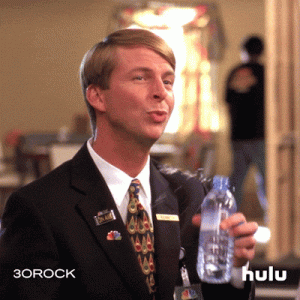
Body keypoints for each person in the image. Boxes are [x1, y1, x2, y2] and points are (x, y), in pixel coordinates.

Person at [0, 28, 258, 299]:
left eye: (168, 81)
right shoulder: (39, 208)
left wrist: (236, 269)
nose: (161, 92)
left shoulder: (193, 196)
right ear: (98, 96)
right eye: (140, 78)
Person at [225, 36, 267, 215]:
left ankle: (229, 220)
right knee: (267, 180)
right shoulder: (266, 73)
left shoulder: (234, 72)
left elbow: (227, 101)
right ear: (261, 51)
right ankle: (273, 221)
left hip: (238, 136)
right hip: (260, 135)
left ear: (244, 51)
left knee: (236, 181)